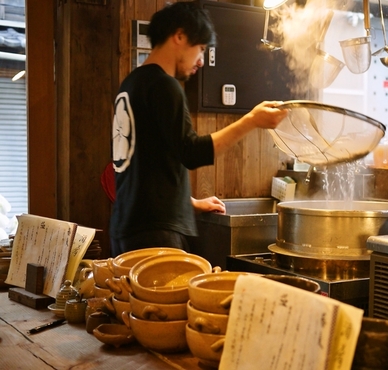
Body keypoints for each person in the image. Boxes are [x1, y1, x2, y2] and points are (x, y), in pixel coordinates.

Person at [110, 2, 287, 257]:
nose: (202, 61)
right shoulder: (164, 85)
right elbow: (191, 152)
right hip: (156, 233)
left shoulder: (132, 83)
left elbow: (145, 165)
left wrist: (191, 203)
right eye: (201, 49)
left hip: (127, 228)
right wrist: (251, 120)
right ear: (179, 36)